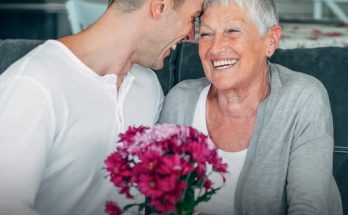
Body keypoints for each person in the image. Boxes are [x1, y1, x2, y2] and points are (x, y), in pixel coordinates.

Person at [0, 0, 204, 214]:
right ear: (160, 6)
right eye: (192, 18)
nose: (191, 35)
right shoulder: (34, 84)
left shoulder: (148, 86)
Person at [159, 0, 343, 214]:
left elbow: (309, 208)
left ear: (270, 41)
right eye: (207, 34)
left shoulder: (302, 98)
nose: (216, 48)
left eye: (233, 30)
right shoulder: (180, 101)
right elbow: (160, 203)